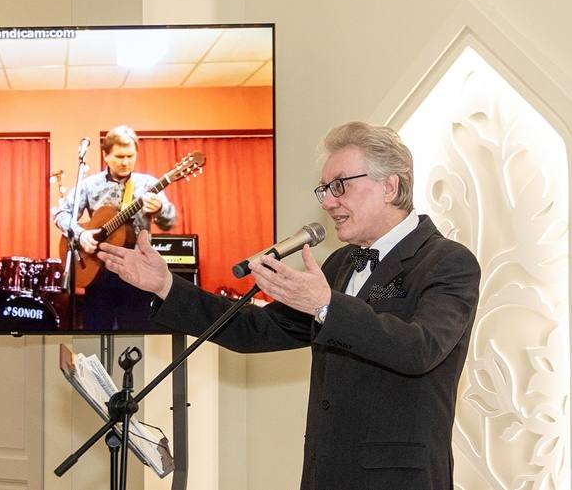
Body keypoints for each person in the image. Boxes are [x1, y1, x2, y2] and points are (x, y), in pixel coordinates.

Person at [97, 121, 480, 489]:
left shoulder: (447, 262)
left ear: (390, 187)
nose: (327, 201)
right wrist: (165, 285)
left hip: (397, 480)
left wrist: (327, 306)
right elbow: (255, 330)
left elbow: (419, 348)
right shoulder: (341, 264)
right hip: (324, 475)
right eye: (324, 189)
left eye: (340, 186)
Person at [53, 125, 176, 330]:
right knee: (95, 336)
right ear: (106, 156)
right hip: (98, 273)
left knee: (136, 336)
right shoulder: (89, 185)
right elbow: (61, 213)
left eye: (130, 156)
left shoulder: (148, 184)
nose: (125, 162)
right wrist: (81, 235)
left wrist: (160, 208)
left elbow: (169, 222)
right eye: (119, 156)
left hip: (138, 272)